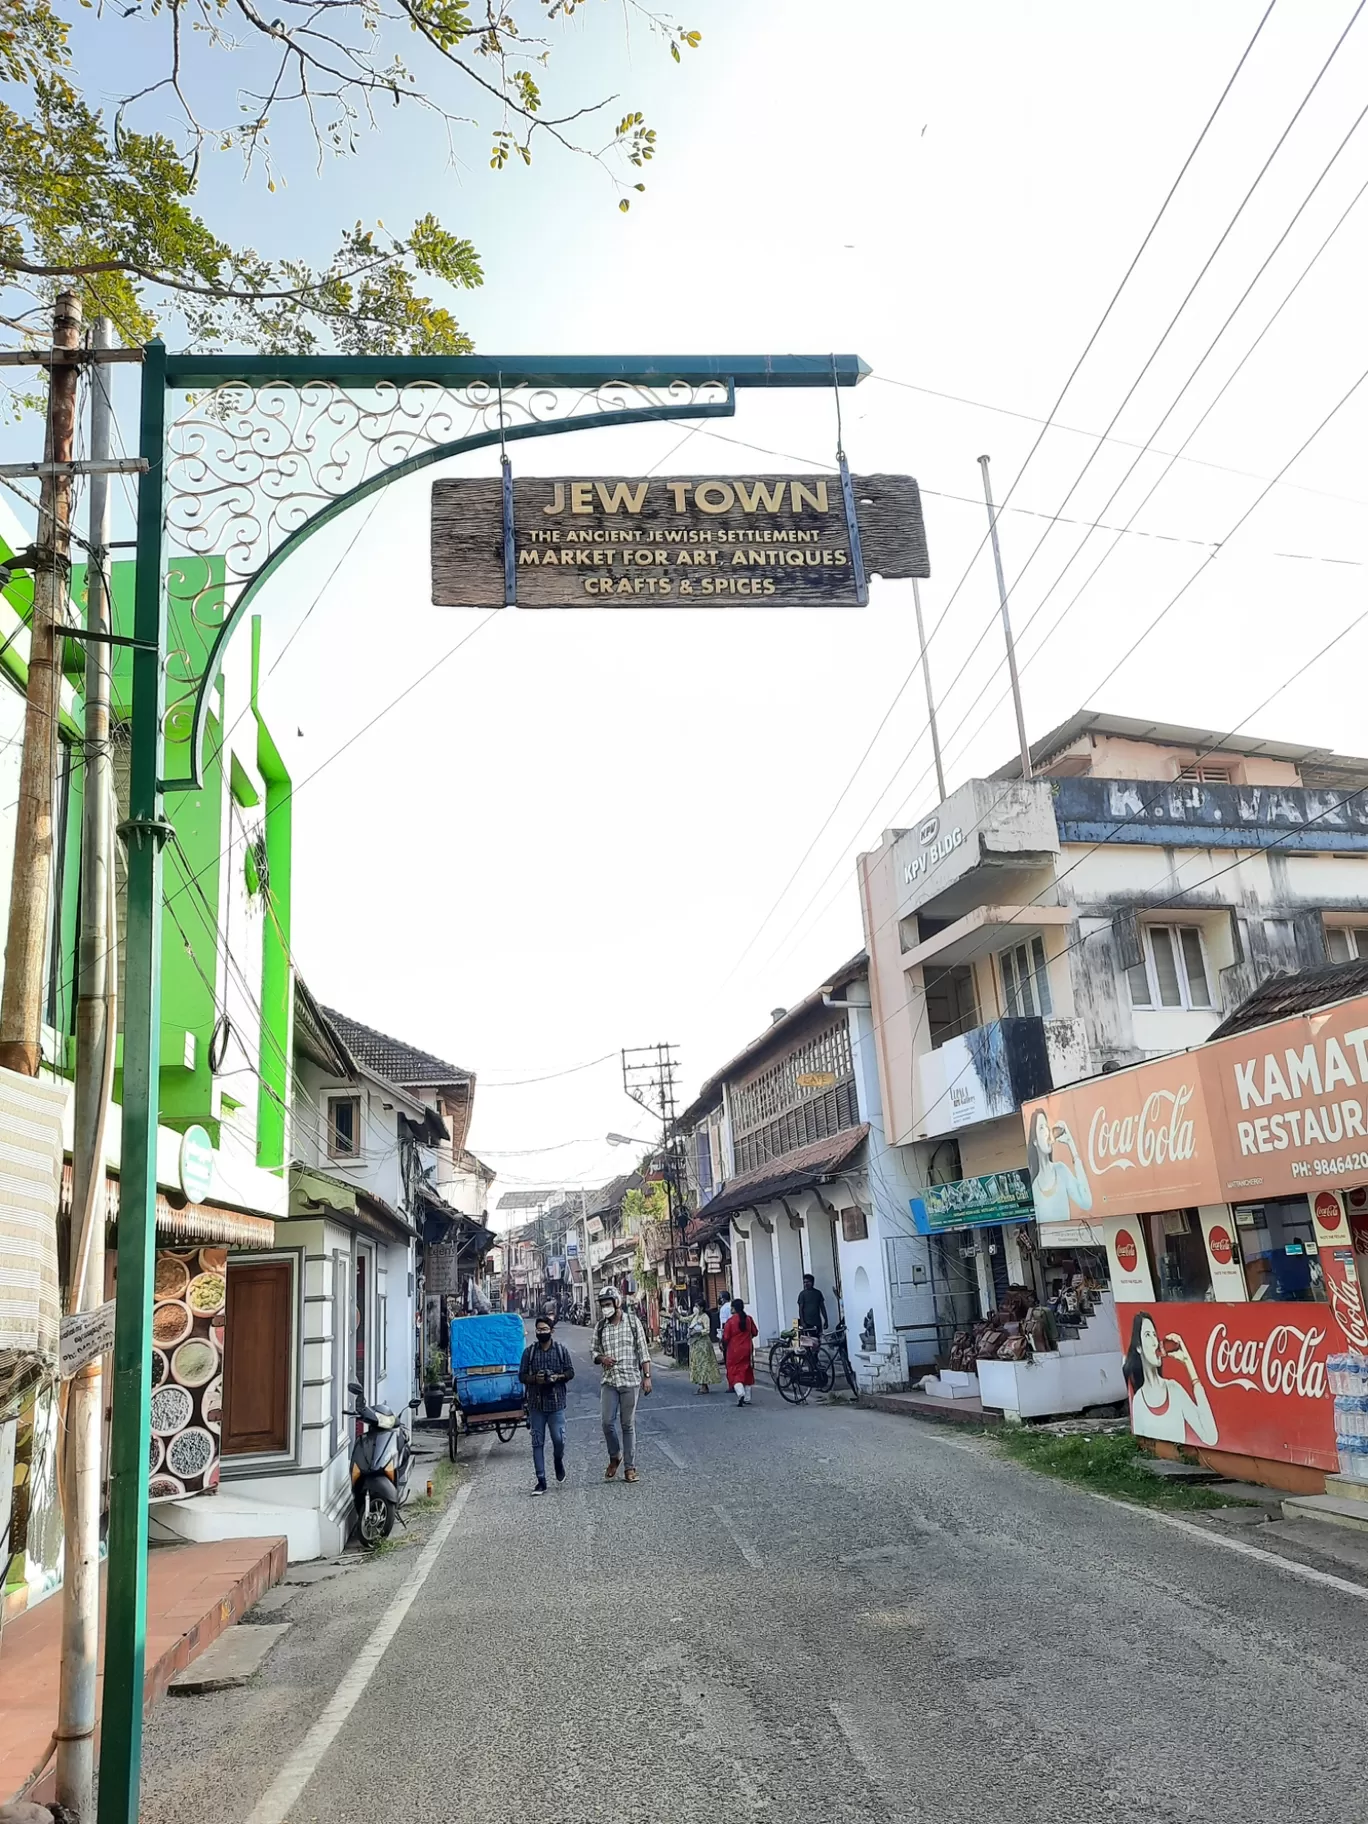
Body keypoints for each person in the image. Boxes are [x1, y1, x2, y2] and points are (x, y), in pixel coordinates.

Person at [1121, 1311, 1218, 1446]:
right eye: (1147, 1335)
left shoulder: (1174, 1389)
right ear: (1139, 1347)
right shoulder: (1138, 1402)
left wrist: (1188, 1362)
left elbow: (1210, 1437)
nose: (1155, 1342)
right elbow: (1142, 1446)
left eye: (1155, 1334)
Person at [593, 1285, 652, 1483]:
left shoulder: (633, 1323)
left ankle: (630, 1468)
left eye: (608, 1304)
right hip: (609, 1381)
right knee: (607, 1423)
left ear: (617, 1303)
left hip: (630, 1381)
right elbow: (593, 1351)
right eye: (603, 1306)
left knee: (627, 1425)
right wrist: (602, 1358)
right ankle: (615, 1455)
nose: (605, 1309)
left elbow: (643, 1351)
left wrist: (647, 1376)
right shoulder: (600, 1326)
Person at [518, 1315, 575, 1495]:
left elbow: (570, 1372)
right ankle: (541, 1480)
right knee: (537, 1442)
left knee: (559, 1440)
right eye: (539, 1330)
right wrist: (535, 1379)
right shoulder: (529, 1352)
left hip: (556, 1403)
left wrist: (557, 1377)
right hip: (535, 1404)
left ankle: (558, 1460)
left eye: (545, 1329)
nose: (542, 1333)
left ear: (552, 1331)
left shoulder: (560, 1351)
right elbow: (521, 1376)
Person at [1026, 1108, 1092, 1224]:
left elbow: (1086, 1202)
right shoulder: (1035, 1188)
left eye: (1047, 1126)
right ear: (1035, 1141)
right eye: (1041, 1128)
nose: (1047, 1131)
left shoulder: (1060, 1170)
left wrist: (1071, 1144)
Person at [722, 1297, 759, 1406]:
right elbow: (755, 1332)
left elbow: (726, 1337)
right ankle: (747, 1397)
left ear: (734, 1308)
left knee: (734, 1371)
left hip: (734, 1350)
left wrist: (723, 1344)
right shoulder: (749, 1319)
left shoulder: (730, 1321)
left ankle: (740, 1392)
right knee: (746, 1371)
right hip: (747, 1349)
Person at [687, 1303, 720, 1394]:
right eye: (695, 1306)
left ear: (702, 1308)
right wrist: (677, 1315)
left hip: (703, 1345)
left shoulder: (705, 1317)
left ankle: (704, 1386)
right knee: (697, 1365)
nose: (695, 1308)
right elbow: (686, 1319)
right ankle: (702, 1385)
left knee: (703, 1365)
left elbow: (707, 1330)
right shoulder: (695, 1316)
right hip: (696, 1345)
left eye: (697, 1306)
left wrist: (697, 1332)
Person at [796, 1273, 829, 1337]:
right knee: (808, 1341)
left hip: (817, 1321)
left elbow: (822, 1307)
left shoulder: (818, 1293)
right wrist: (802, 1322)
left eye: (808, 1282)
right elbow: (800, 1309)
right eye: (804, 1282)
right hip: (807, 1322)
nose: (806, 1284)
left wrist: (826, 1320)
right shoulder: (802, 1294)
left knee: (817, 1340)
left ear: (812, 1282)